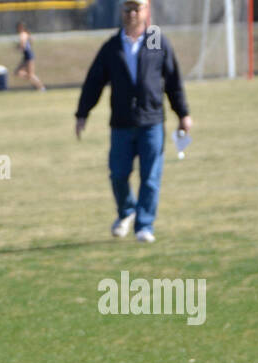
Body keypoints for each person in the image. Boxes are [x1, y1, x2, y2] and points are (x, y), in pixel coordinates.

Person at [74, 0, 192, 243]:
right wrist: (82, 113)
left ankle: (144, 225)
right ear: (122, 12)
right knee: (118, 174)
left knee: (150, 177)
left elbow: (173, 81)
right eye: (128, 10)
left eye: (137, 9)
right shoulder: (112, 46)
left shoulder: (157, 41)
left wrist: (183, 114)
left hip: (151, 121)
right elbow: (94, 81)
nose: (132, 14)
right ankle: (127, 211)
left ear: (146, 11)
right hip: (121, 123)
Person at [14, 21, 45, 91]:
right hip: (26, 56)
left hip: (28, 56)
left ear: (21, 27)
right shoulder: (26, 34)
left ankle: (41, 87)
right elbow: (31, 41)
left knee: (30, 75)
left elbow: (23, 44)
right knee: (19, 73)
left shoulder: (23, 34)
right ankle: (39, 87)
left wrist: (19, 47)